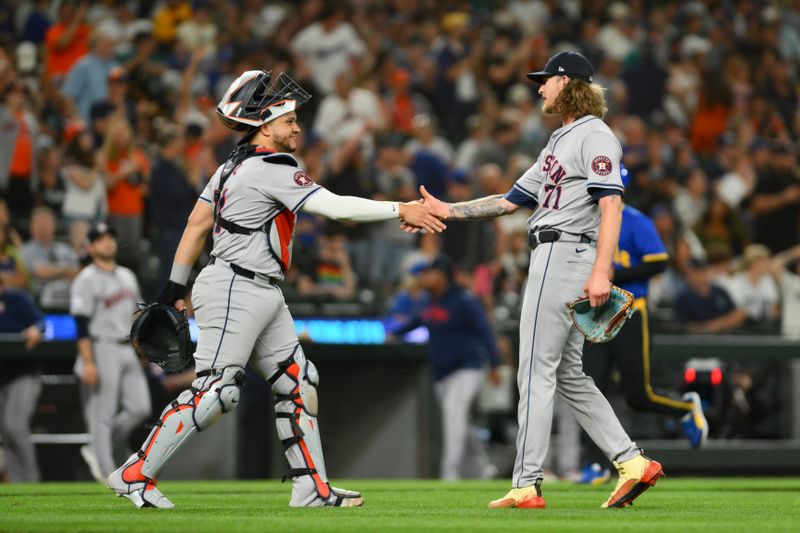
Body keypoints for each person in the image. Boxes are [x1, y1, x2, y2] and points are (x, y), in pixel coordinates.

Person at [106, 69, 444, 509]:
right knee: (217, 391)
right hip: (236, 286)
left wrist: (173, 286)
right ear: (265, 126)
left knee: (298, 381)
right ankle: (134, 473)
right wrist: (403, 208)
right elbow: (336, 208)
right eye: (289, 120)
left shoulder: (231, 166)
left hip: (255, 288)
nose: (298, 127)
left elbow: (196, 226)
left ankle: (311, 488)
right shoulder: (271, 167)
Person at [414, 52, 663, 509]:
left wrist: (601, 271)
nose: (539, 88)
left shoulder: (595, 136)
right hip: (555, 252)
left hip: (563, 252)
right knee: (568, 373)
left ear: (566, 82)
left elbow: (612, 206)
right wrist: (449, 211)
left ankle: (526, 482)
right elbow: (510, 201)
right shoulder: (558, 141)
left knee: (534, 370)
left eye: (545, 81)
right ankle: (631, 462)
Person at [578, 167, 709, 485]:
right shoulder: (584, 218)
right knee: (590, 390)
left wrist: (614, 277)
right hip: (597, 313)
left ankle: (684, 408)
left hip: (631, 310)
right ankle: (596, 465)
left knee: (638, 394)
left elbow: (659, 261)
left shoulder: (634, 219)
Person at [393, 255, 500, 480]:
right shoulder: (428, 300)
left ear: (443, 276)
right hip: (442, 372)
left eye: (431, 272)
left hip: (467, 367)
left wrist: (495, 364)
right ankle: (482, 467)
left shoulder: (464, 300)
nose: (426, 276)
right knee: (458, 420)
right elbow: (416, 321)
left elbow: (485, 332)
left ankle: (449, 473)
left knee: (454, 415)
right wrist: (394, 334)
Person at [70, 222, 151, 482]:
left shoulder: (127, 275)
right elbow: (80, 323)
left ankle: (96, 446)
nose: (108, 242)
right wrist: (88, 360)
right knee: (102, 412)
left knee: (140, 408)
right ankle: (107, 473)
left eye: (110, 237)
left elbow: (136, 314)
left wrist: (141, 348)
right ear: (90, 246)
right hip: (101, 344)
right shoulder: (86, 278)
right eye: (101, 239)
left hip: (126, 346)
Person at [0, 275, 44, 483]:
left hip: (24, 372)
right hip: (2, 376)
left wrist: (36, 329)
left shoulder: (17, 299)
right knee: (6, 431)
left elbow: (41, 322)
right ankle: (19, 484)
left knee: (15, 425)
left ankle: (31, 480)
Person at [21, 207, 80, 311]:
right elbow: (40, 272)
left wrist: (52, 271)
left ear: (54, 225)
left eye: (46, 223)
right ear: (31, 227)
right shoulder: (25, 250)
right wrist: (65, 269)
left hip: (69, 302)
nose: (43, 228)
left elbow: (77, 274)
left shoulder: (67, 250)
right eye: (39, 224)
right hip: (39, 304)